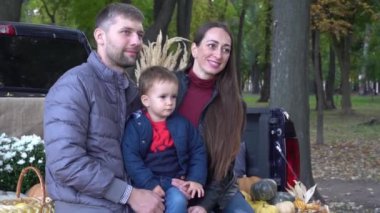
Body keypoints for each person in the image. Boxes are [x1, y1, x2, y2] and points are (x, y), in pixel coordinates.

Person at [43, 3, 164, 213]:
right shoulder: (74, 85)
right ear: (100, 36)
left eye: (140, 34)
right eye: (126, 32)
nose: (136, 41)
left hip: (125, 203)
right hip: (83, 205)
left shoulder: (132, 93)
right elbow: (65, 162)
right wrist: (128, 194)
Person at [171, 21, 255, 213]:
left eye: (226, 50)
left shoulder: (235, 105)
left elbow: (226, 167)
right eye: (212, 45)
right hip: (171, 184)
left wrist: (205, 205)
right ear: (194, 49)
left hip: (215, 191)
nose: (218, 55)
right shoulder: (168, 87)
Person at [122, 66, 207, 213]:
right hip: (146, 184)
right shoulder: (135, 125)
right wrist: (150, 184)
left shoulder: (182, 124)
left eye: (173, 96)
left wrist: (195, 179)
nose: (170, 102)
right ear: (146, 100)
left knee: (178, 200)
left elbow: (198, 150)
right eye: (163, 97)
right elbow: (131, 158)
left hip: (176, 183)